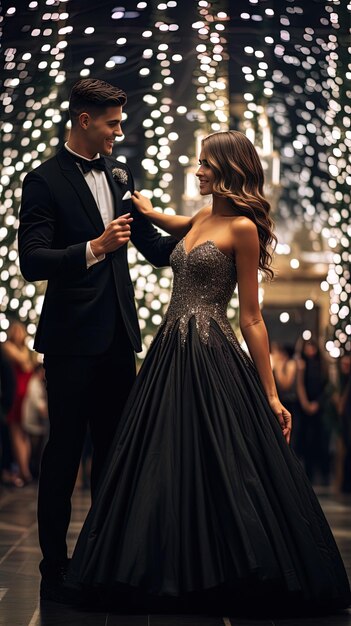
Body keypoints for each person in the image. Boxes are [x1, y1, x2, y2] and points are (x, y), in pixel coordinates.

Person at [67, 131, 350, 616]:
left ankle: (222, 570)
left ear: (226, 169)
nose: (196, 170)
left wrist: (272, 395)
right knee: (161, 460)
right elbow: (171, 223)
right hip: (169, 352)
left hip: (209, 353)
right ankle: (163, 568)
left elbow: (253, 318)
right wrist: (144, 207)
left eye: (203, 164)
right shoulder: (200, 218)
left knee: (221, 463)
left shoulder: (243, 227)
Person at [18, 78, 176, 602]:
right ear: (85, 120)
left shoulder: (121, 171)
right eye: (112, 123)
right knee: (63, 452)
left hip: (117, 338)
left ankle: (105, 559)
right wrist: (94, 247)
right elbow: (32, 260)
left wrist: (209, 229)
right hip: (69, 339)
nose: (119, 132)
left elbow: (152, 247)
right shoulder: (42, 180)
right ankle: (53, 566)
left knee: (115, 452)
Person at [2, 320, 34, 487]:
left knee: (23, 433)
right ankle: (23, 471)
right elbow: (25, 363)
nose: (18, 334)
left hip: (24, 394)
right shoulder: (8, 347)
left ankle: (24, 470)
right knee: (17, 432)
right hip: (15, 393)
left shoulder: (22, 350)